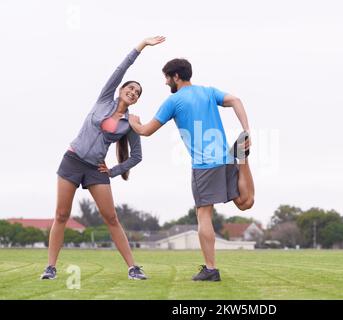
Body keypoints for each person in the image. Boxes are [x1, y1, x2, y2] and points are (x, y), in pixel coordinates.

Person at [40, 36, 166, 280]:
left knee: (111, 218)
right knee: (61, 215)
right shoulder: (104, 99)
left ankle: (133, 268)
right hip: (72, 160)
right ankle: (50, 268)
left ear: (137, 99)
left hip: (96, 170)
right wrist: (142, 45)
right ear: (121, 90)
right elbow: (121, 69)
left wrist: (114, 171)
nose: (133, 92)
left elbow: (137, 157)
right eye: (130, 88)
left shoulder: (130, 122)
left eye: (137, 93)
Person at [129, 58, 255, 281]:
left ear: (176, 77)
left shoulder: (174, 100)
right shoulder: (207, 92)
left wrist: (133, 122)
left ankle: (210, 269)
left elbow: (146, 131)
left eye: (167, 78)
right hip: (225, 158)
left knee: (203, 214)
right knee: (245, 203)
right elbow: (236, 100)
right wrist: (246, 130)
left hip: (204, 165)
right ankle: (241, 158)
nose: (166, 82)